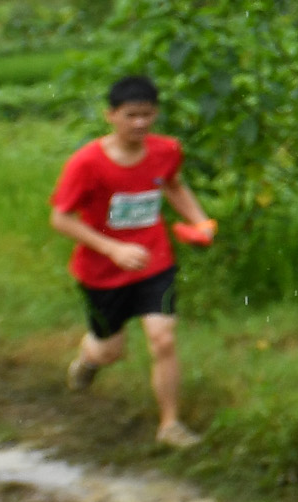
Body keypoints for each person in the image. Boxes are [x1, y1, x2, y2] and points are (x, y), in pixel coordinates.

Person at [50, 74, 213, 448]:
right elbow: (60, 218)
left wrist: (198, 221)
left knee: (163, 338)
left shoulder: (166, 150)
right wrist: (113, 249)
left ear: (156, 114)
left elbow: (173, 185)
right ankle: (89, 359)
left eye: (147, 114)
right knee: (111, 350)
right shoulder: (86, 163)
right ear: (111, 115)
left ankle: (170, 425)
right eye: (130, 115)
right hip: (102, 272)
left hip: (155, 262)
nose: (140, 123)